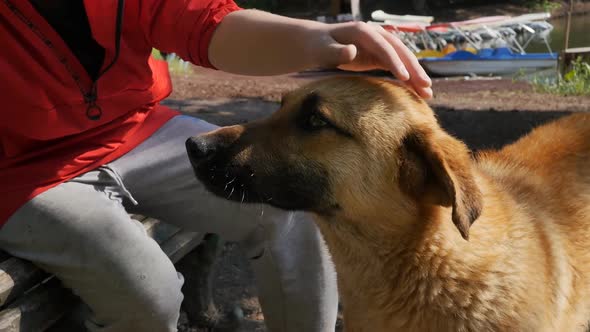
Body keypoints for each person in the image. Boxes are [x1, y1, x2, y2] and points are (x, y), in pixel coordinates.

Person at [0, 1, 432, 331]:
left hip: (133, 127)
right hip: (24, 172)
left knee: (292, 210)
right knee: (148, 294)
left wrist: (322, 41)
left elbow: (208, 25)